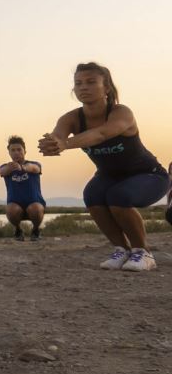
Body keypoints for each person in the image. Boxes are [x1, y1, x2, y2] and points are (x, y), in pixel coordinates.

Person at [38, 62, 170, 271]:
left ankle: (143, 252)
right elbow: (59, 135)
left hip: (149, 175)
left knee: (119, 197)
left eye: (91, 82)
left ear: (106, 87)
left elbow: (101, 134)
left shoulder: (121, 113)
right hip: (110, 175)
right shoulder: (71, 118)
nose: (83, 87)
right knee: (92, 195)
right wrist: (51, 143)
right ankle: (122, 249)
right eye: (78, 83)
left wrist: (66, 144)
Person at [0, 136, 45, 241]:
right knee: (10, 210)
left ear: (25, 151)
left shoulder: (34, 164)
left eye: (19, 150)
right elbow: (2, 171)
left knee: (36, 209)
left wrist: (22, 168)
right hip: (15, 206)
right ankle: (18, 230)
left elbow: (35, 168)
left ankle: (36, 230)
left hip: (34, 204)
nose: (16, 153)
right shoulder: (5, 167)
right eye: (13, 150)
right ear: (9, 153)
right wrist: (11, 168)